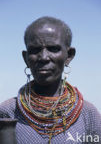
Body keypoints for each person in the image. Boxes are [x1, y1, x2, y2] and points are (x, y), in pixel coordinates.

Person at [0, 16, 101, 144]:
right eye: (35, 50)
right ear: (25, 58)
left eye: (53, 49)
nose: (43, 57)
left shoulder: (88, 114)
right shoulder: (8, 111)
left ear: (69, 55)